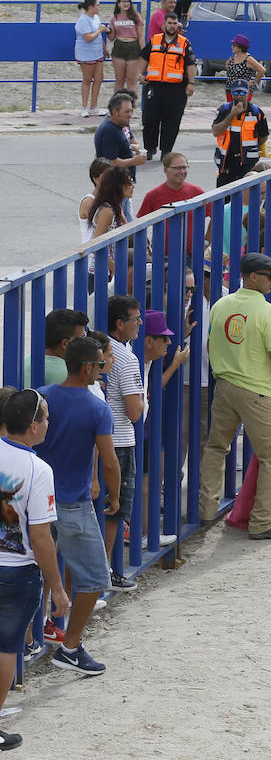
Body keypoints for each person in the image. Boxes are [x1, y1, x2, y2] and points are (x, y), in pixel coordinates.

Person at [34, 336, 119, 675]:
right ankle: (70, 648)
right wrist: (114, 496)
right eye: (99, 365)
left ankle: (29, 642)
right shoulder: (97, 408)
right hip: (73, 504)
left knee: (34, 573)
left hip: (38, 501)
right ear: (87, 368)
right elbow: (110, 461)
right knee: (94, 577)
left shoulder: (42, 396)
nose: (102, 370)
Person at [199, 252, 271, 539]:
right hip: (256, 390)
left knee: (216, 447)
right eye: (270, 275)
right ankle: (262, 521)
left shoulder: (221, 305)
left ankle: (206, 509)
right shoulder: (266, 311)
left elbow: (210, 342)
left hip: (225, 386)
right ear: (252, 276)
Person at [0, 388, 72, 750]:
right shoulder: (37, 469)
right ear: (32, 426)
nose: (48, 423)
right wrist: (57, 588)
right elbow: (41, 536)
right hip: (16, 571)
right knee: (6, 647)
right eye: (45, 417)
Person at [100, 295, 145, 590]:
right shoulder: (127, 359)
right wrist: (143, 400)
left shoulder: (102, 347)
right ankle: (102, 576)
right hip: (120, 441)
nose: (140, 323)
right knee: (115, 513)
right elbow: (133, 411)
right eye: (135, 319)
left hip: (100, 440)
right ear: (120, 324)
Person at [139, 12, 196, 162]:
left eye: (174, 23)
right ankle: (150, 148)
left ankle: (166, 151)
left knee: (171, 122)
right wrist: (141, 74)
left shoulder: (184, 43)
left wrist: (191, 83)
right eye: (169, 23)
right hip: (154, 86)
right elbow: (144, 57)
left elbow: (190, 65)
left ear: (178, 25)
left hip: (176, 89)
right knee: (150, 119)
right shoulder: (155, 40)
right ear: (164, 24)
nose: (172, 26)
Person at [211, 79, 270, 187]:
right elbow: (216, 132)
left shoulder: (257, 112)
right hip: (226, 164)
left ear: (248, 93)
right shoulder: (224, 110)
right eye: (236, 93)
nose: (239, 96)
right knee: (224, 199)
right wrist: (232, 115)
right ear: (231, 93)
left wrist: (253, 148)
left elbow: (263, 136)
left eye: (242, 93)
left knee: (245, 198)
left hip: (247, 165)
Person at [95, 92, 146, 185]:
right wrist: (134, 161)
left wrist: (133, 150)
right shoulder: (109, 131)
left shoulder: (121, 124)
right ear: (115, 112)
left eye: (131, 111)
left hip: (123, 183)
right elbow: (111, 162)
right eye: (126, 111)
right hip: (114, 185)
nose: (130, 114)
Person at [75, 0, 109, 119]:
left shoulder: (96, 18)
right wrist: (100, 29)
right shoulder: (83, 20)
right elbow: (88, 38)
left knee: (99, 79)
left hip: (97, 52)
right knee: (87, 80)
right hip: (86, 54)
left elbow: (98, 37)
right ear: (90, 7)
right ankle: (84, 108)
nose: (99, 7)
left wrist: (104, 48)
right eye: (98, 5)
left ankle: (94, 107)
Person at [107, 0, 142, 95]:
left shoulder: (136, 16)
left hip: (133, 47)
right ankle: (117, 107)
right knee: (119, 80)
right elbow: (112, 37)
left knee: (132, 80)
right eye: (123, 1)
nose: (126, 3)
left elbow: (140, 35)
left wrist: (143, 51)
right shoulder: (114, 17)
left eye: (128, 1)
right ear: (118, 4)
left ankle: (132, 106)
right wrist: (107, 31)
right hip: (119, 47)